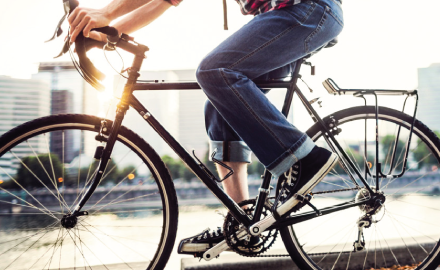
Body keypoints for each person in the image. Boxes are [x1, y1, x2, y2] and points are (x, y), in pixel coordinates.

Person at [68, 0, 343, 256]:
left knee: (215, 71)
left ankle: (305, 158)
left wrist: (108, 18)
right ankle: (241, 222)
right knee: (220, 104)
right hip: (285, 15)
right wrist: (109, 28)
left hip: (307, 10)